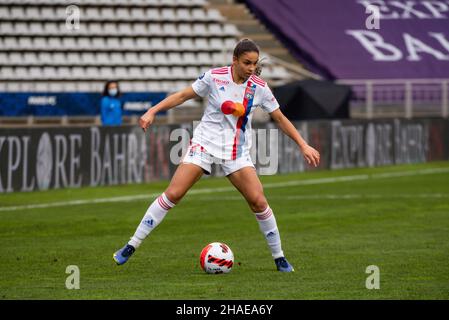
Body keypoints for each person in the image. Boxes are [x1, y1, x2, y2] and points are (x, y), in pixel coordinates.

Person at [113, 39, 320, 272]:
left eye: (254, 63)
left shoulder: (259, 87)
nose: (251, 68)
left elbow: (280, 118)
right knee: (174, 193)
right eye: (246, 63)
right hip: (205, 144)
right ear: (234, 60)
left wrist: (303, 145)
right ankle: (131, 245)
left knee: (258, 201)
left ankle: (279, 256)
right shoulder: (214, 77)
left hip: (236, 152)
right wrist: (152, 111)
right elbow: (182, 96)